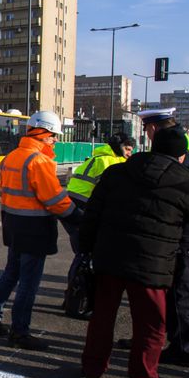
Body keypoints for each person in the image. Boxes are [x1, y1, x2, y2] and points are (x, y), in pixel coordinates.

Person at [79, 126, 189, 378]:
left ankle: (92, 368)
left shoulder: (117, 173)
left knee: (101, 319)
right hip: (152, 268)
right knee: (151, 326)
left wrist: (85, 250)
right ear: (181, 157)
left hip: (109, 260)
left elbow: (92, 216)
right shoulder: (187, 186)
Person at [0, 110, 76, 351]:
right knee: (28, 283)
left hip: (13, 225)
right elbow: (55, 199)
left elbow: (4, 187)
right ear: (43, 134)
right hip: (34, 229)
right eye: (53, 136)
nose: (55, 140)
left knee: (11, 273)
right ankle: (19, 332)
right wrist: (77, 215)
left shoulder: (12, 156)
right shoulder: (39, 161)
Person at [134, 108, 189, 367]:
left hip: (179, 229)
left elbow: (171, 188)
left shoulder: (180, 151)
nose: (147, 135)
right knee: (169, 290)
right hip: (185, 225)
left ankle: (183, 348)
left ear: (155, 129)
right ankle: (167, 340)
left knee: (176, 292)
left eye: (146, 129)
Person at [63, 133, 135, 318]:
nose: (130, 153)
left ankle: (72, 296)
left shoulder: (98, 156)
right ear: (119, 147)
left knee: (81, 253)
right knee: (84, 255)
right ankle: (75, 298)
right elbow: (111, 193)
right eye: (127, 148)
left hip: (73, 206)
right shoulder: (110, 162)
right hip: (83, 208)